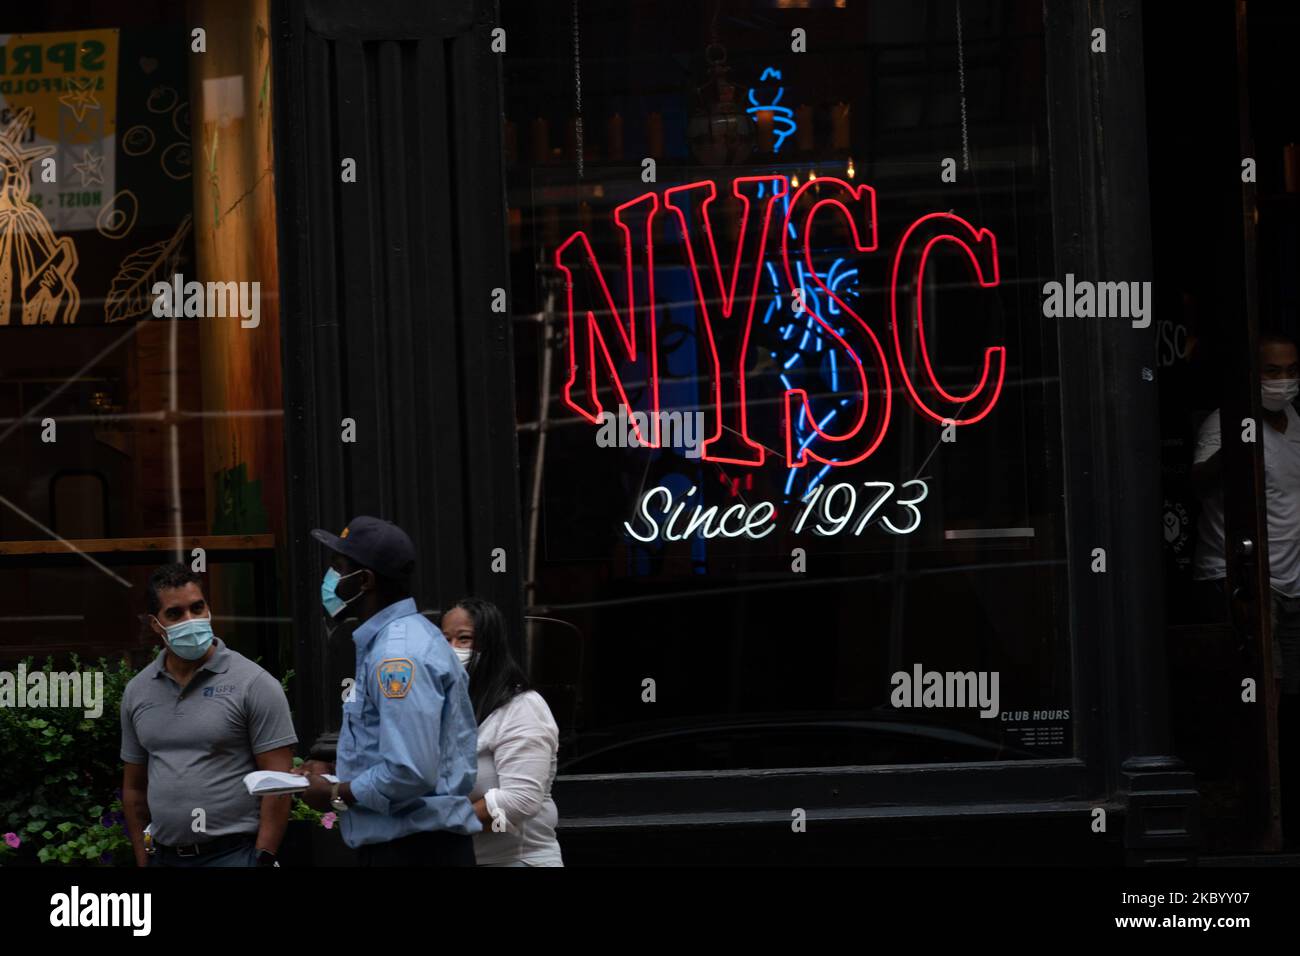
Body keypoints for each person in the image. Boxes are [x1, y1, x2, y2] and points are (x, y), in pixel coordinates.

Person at [294, 516, 481, 865]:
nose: (330, 579)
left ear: (364, 580)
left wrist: (335, 793)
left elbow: (409, 770)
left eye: (338, 568)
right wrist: (333, 770)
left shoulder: (397, 655)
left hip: (415, 852)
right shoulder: (403, 639)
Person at [1191, 332, 1300, 844]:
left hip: (1292, 583)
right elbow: (1196, 482)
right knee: (1260, 698)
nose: (1282, 381)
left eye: (1289, 369)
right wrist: (1237, 442)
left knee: (1288, 697)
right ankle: (1253, 817)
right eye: (1271, 371)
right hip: (1238, 578)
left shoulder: (1296, 424)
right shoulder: (1226, 422)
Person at [119, 563, 297, 867]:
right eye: (175, 614)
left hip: (234, 855)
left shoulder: (254, 683)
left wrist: (262, 859)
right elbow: (134, 788)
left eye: (197, 608)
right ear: (155, 624)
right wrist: (143, 860)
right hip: (165, 856)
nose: (191, 620)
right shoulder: (138, 691)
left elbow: (279, 784)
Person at [442, 597, 563, 867]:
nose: (452, 650)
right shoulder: (451, 709)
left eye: (464, 639)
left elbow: (519, 801)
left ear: (490, 645)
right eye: (444, 640)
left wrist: (439, 825)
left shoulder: (522, 708)